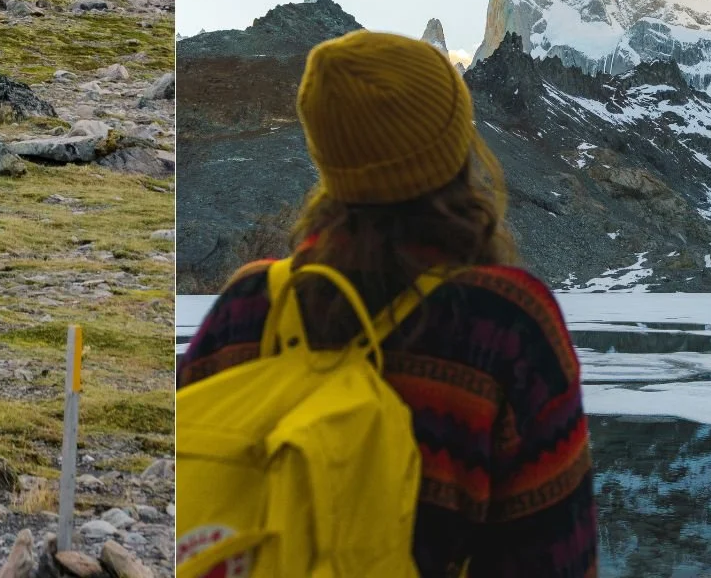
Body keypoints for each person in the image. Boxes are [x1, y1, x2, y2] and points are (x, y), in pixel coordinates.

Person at [179, 31, 598, 577]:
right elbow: (557, 558)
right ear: (452, 150)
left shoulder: (247, 306)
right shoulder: (503, 324)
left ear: (327, 155)